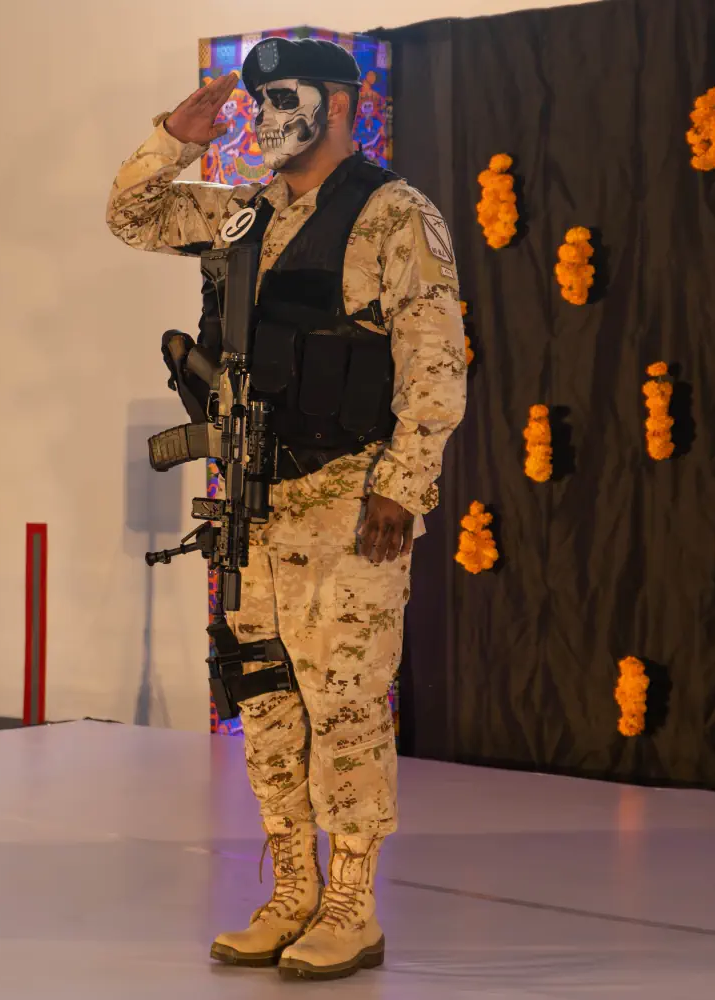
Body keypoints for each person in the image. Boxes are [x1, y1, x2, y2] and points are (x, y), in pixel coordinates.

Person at [105, 37, 466, 981]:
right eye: (257, 102)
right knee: (263, 696)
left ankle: (352, 903)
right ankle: (292, 889)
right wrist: (176, 137)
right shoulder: (246, 214)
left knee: (345, 705)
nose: (266, 118)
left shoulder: (394, 215)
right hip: (252, 501)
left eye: (286, 99)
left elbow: (435, 359)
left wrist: (403, 486)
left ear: (340, 105)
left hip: (347, 501)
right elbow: (131, 215)